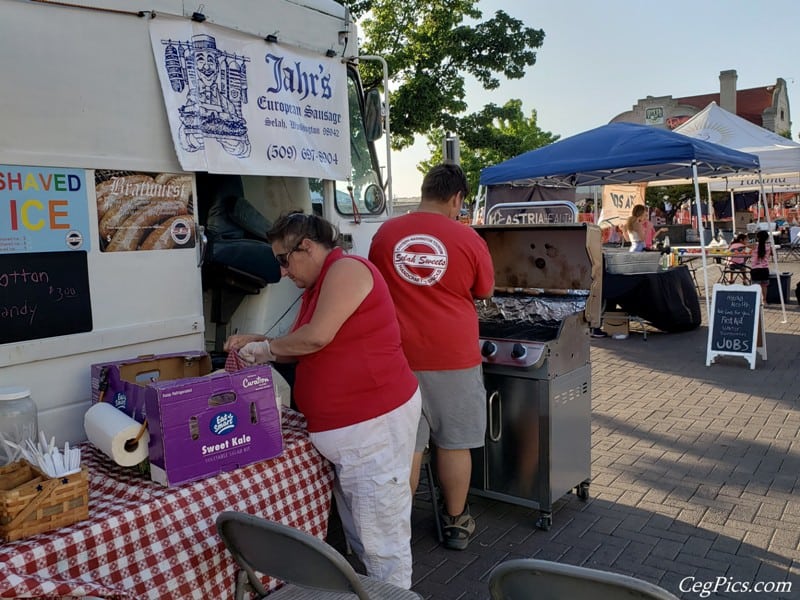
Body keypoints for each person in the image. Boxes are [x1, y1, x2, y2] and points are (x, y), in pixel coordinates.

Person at [224, 211, 421, 589]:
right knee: (365, 532)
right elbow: (301, 345)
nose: (282, 271)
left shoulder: (346, 270)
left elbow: (316, 337)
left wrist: (264, 350)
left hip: (373, 423)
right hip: (356, 430)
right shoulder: (319, 285)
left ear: (308, 246)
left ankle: (394, 597)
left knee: (382, 541)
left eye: (283, 259)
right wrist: (258, 341)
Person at [368, 164, 495, 551]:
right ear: (457, 198)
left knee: (409, 445)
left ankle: (397, 529)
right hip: (453, 356)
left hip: (398, 355)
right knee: (455, 443)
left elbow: (373, 286)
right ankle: (456, 522)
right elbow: (485, 289)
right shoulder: (467, 237)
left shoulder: (385, 233)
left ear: (423, 190)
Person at [750, 229, 773, 298]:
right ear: (767, 238)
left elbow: (743, 246)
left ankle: (757, 300)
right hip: (765, 269)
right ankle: (764, 300)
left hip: (755, 269)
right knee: (764, 286)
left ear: (757, 238)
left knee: (755, 286)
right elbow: (772, 254)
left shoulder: (753, 245)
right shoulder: (769, 246)